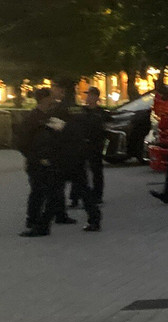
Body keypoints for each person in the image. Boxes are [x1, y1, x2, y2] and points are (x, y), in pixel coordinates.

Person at [17, 88, 64, 237]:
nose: (53, 99)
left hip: (49, 160)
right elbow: (23, 142)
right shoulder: (33, 119)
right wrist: (34, 157)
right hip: (38, 161)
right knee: (39, 192)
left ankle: (38, 222)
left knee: (48, 192)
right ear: (44, 99)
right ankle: (34, 221)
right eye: (50, 96)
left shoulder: (48, 116)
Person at [49, 80, 81, 225]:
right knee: (82, 185)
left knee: (56, 186)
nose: (52, 91)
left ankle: (51, 217)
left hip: (62, 152)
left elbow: (54, 130)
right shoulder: (76, 107)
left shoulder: (60, 109)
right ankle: (93, 216)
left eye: (54, 88)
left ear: (62, 90)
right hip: (76, 150)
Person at [83, 86, 107, 207]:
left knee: (96, 170)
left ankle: (97, 195)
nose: (88, 97)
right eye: (87, 95)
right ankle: (78, 196)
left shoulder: (101, 113)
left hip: (96, 144)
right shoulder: (82, 111)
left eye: (90, 95)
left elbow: (106, 128)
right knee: (81, 171)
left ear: (96, 97)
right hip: (83, 144)